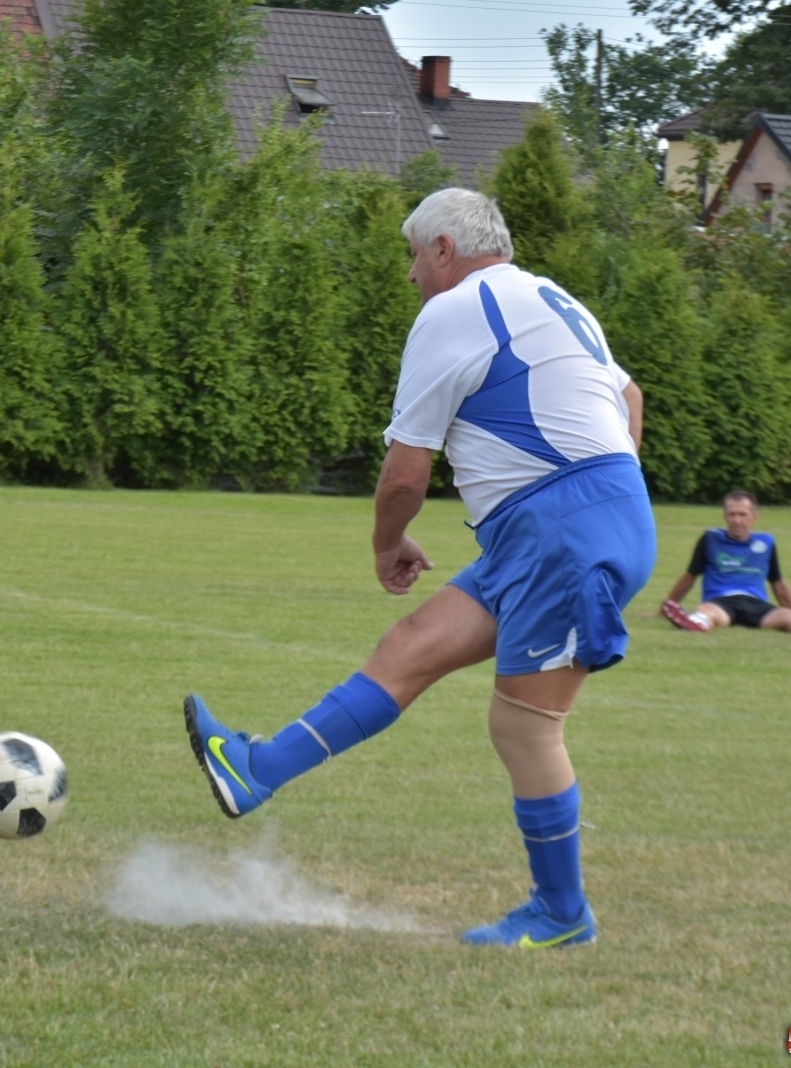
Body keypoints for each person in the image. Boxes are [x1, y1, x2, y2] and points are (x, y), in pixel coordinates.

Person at [183, 188, 655, 949]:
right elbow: (629, 396)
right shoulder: (548, 294)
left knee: (525, 726)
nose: (409, 276)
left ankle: (562, 914)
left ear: (444, 249)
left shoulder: (454, 309)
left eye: (413, 255)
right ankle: (255, 770)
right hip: (559, 527)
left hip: (560, 531)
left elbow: (405, 475)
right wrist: (607, 485)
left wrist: (385, 545)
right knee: (407, 649)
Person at [659, 490, 791, 638]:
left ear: (754, 517)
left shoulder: (766, 543)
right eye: (732, 514)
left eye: (742, 515)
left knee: (789, 619)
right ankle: (694, 623)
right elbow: (689, 576)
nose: (737, 520)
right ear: (724, 516)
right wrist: (669, 606)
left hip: (756, 604)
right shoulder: (710, 539)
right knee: (707, 612)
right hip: (721, 602)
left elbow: (778, 582)